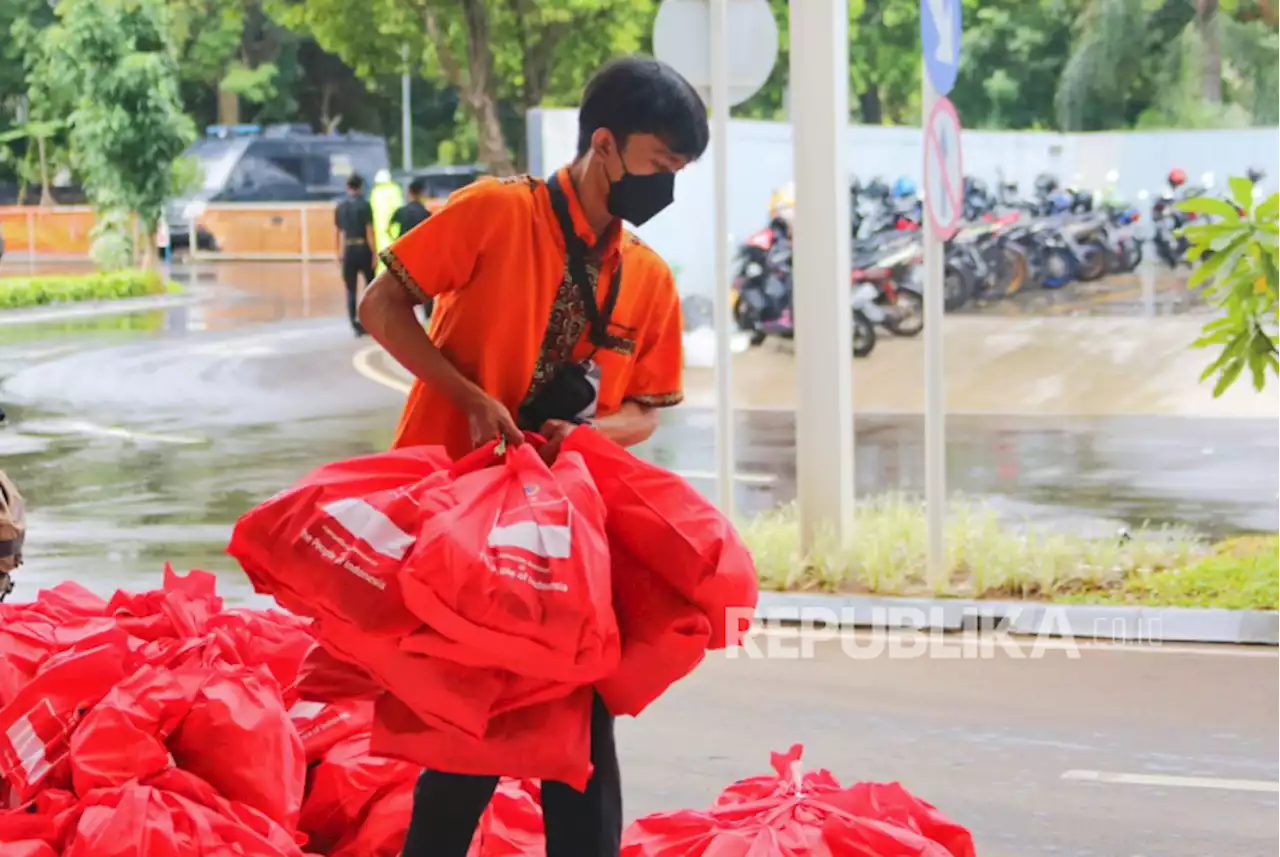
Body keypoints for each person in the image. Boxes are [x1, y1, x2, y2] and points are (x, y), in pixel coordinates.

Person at [357, 55, 708, 857]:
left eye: (680, 172)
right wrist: (468, 395)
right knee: (467, 744)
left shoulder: (648, 281)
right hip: (456, 522)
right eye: (661, 164)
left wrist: (582, 437)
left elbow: (644, 412)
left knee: (576, 745)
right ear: (607, 147)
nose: (667, 187)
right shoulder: (494, 214)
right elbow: (381, 305)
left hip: (566, 540)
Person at [334, 174, 376, 336]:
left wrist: (337, 252)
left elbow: (337, 231)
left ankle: (353, 322)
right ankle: (368, 320)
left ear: (347, 187)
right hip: (363, 247)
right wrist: (374, 252)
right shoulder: (365, 205)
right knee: (369, 287)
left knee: (350, 289)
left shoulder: (341, 207)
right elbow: (369, 230)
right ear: (360, 187)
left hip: (349, 248)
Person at [370, 168, 405, 275]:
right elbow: (399, 210)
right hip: (393, 231)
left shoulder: (375, 192)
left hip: (378, 230)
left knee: (381, 257)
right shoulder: (395, 190)